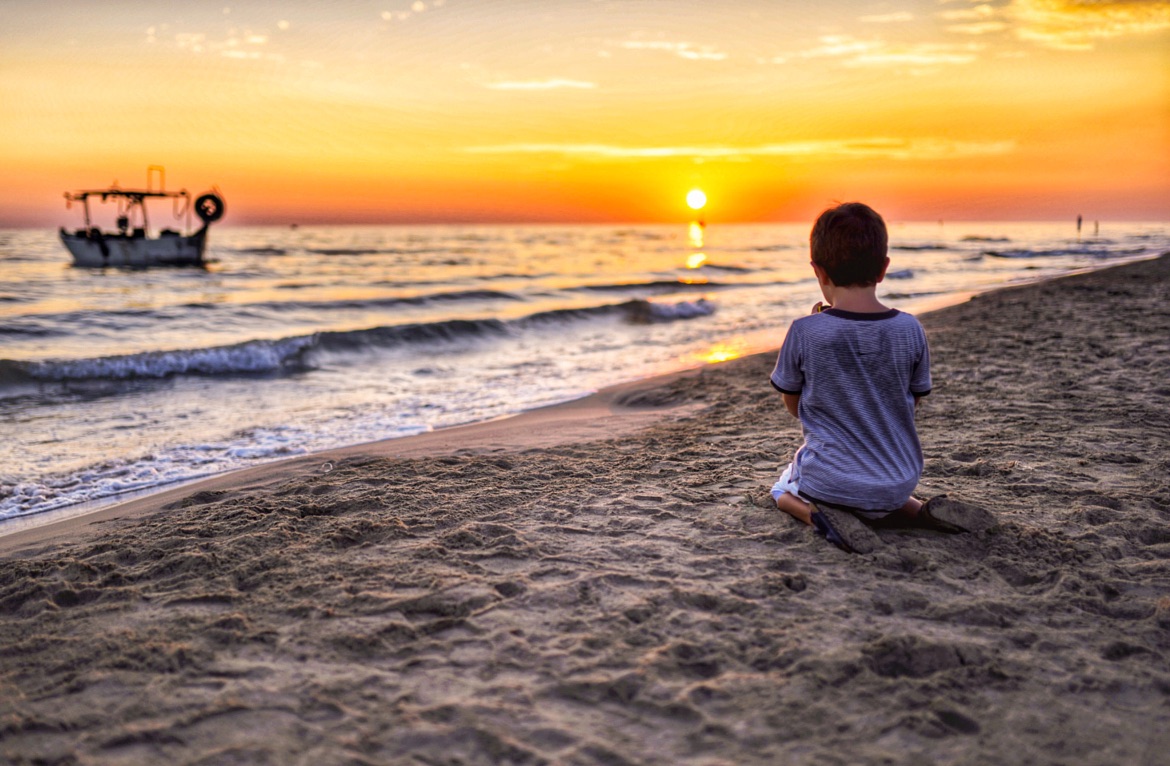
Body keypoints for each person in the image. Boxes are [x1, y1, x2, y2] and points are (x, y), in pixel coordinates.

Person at [769, 202, 950, 551]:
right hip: (900, 479)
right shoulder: (911, 329)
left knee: (780, 488)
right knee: (882, 487)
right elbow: (911, 403)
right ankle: (919, 511)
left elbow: (794, 408)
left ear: (818, 271)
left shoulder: (805, 331)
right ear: (883, 269)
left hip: (832, 483)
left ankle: (817, 516)